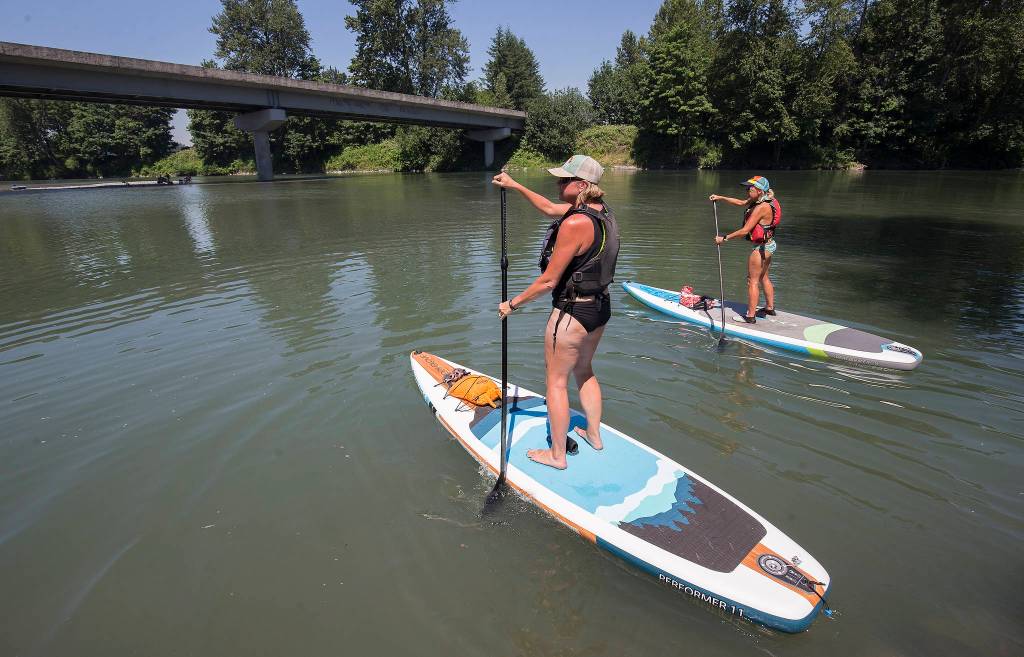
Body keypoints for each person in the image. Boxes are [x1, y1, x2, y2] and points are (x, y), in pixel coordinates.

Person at [492, 155, 620, 470]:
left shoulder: (576, 222)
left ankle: (557, 455)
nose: (558, 183)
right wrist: (514, 184)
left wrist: (512, 304)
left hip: (572, 314)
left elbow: (549, 280)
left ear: (580, 184)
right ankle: (594, 435)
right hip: (600, 308)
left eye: (564, 180)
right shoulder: (601, 213)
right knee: (585, 370)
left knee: (556, 382)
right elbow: (550, 209)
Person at [710, 175, 782, 323]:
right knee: (764, 277)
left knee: (752, 281)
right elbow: (741, 202)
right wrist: (720, 197)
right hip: (769, 245)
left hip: (761, 249)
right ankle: (769, 308)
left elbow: (744, 231)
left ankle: (750, 316)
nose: (747, 190)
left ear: (760, 191)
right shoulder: (765, 199)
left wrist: (723, 238)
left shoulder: (762, 207)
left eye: (751, 188)